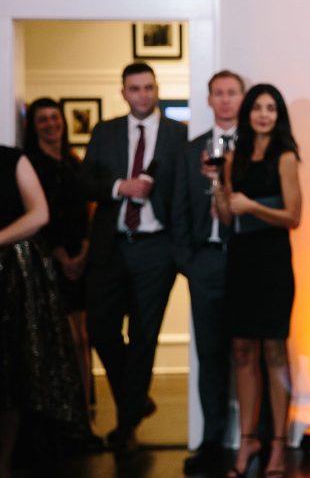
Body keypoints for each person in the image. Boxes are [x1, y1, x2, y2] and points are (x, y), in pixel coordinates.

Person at [78, 63, 187, 458]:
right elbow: (83, 182)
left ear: (156, 90)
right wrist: (118, 186)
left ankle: (125, 426)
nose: (143, 94)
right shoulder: (104, 131)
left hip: (157, 249)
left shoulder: (179, 135)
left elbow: (185, 191)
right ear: (123, 92)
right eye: (134, 88)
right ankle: (135, 399)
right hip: (110, 246)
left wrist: (180, 250)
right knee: (102, 330)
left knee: (144, 338)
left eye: (148, 87)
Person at [212, 84, 301, 478]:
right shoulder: (233, 157)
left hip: (273, 262)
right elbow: (228, 218)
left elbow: (293, 216)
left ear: (278, 115)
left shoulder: (284, 156)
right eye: (257, 108)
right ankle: (249, 439)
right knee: (243, 352)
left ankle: (278, 444)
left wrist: (251, 205)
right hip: (241, 262)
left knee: (274, 352)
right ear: (247, 113)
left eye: (271, 108)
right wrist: (218, 186)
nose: (263, 114)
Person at [0, 146, 90, 478]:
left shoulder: (11, 159)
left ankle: (4, 464)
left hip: (10, 279)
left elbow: (39, 215)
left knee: (10, 374)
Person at [172, 70, 245, 475]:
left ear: (241, 97)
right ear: (209, 99)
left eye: (232, 92)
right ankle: (212, 442)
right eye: (218, 93)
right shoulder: (190, 151)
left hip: (247, 264)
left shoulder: (253, 148)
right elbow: (178, 208)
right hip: (206, 262)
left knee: (249, 352)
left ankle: (257, 436)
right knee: (210, 355)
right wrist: (189, 262)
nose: (225, 99)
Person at [23, 99, 93, 421]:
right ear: (33, 126)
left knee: (84, 338)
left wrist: (83, 252)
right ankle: (67, 415)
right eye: (43, 120)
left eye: (55, 117)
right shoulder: (31, 164)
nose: (51, 124)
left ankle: (88, 407)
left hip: (81, 258)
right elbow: (37, 216)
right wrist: (62, 257)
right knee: (62, 339)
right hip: (50, 259)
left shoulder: (74, 162)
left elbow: (87, 211)